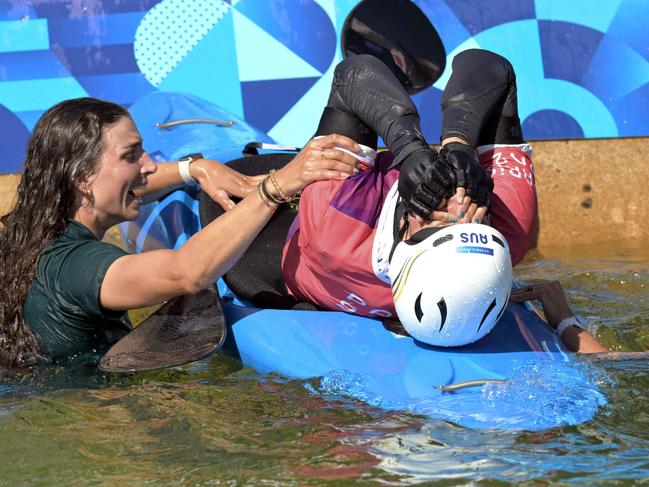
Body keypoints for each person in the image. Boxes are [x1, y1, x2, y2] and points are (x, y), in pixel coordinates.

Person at [202, 49, 538, 345]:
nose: (458, 202)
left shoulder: (336, 226)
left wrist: (408, 149)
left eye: (443, 222)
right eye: (477, 222)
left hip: (311, 246)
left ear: (406, 236)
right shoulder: (512, 232)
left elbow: (354, 73)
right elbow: (491, 67)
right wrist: (459, 144)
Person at [0, 98, 361, 366]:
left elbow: (134, 181)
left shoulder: (26, 230)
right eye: (132, 155)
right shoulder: (77, 266)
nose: (150, 165)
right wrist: (276, 186)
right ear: (82, 179)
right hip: (84, 416)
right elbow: (186, 273)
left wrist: (195, 169)